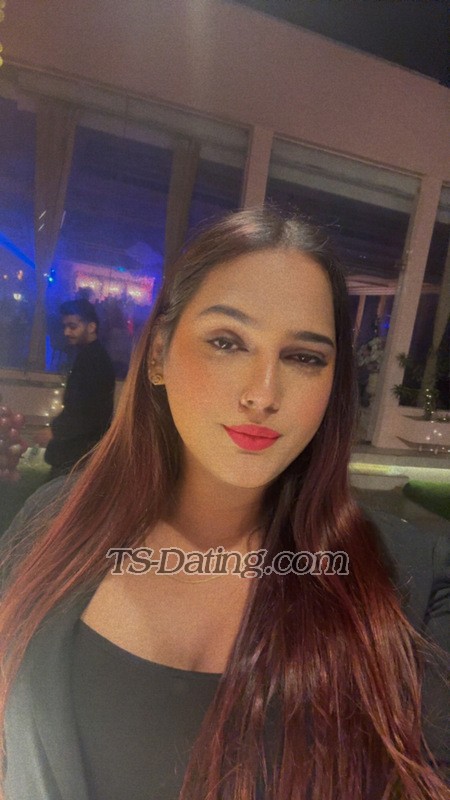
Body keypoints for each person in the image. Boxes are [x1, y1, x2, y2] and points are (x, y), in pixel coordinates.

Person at [0, 209, 448, 800]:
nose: (262, 394)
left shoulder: (406, 580)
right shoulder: (54, 523)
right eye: (226, 342)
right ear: (157, 355)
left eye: (304, 357)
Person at [35, 299, 116, 479]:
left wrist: (56, 431)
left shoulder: (94, 360)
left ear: (91, 327)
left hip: (79, 453)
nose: (66, 332)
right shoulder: (90, 355)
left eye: (72, 326)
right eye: (65, 326)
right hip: (81, 450)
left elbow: (88, 411)